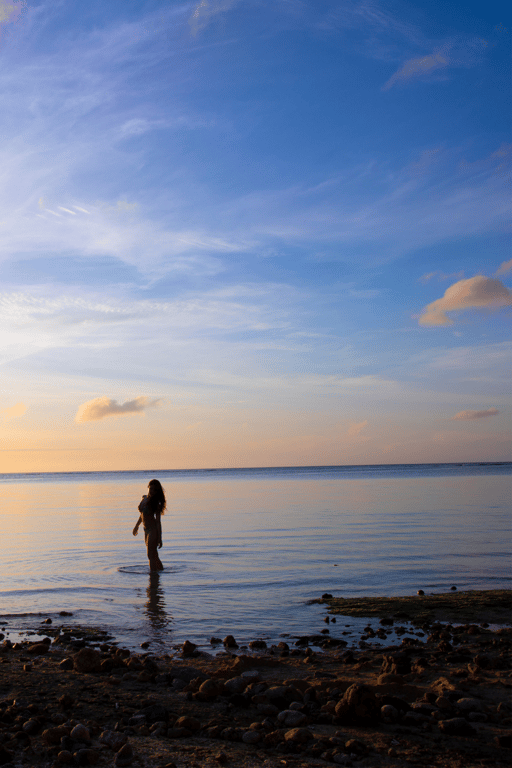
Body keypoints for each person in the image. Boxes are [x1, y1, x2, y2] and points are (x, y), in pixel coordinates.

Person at [133, 479, 166, 571]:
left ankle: (153, 576)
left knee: (150, 554)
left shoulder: (157, 503)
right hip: (146, 530)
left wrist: (160, 538)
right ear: (148, 488)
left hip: (153, 530)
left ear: (157, 491)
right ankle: (160, 572)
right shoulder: (145, 500)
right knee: (154, 555)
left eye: (155, 490)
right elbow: (142, 515)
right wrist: (136, 526)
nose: (152, 491)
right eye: (151, 489)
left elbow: (158, 522)